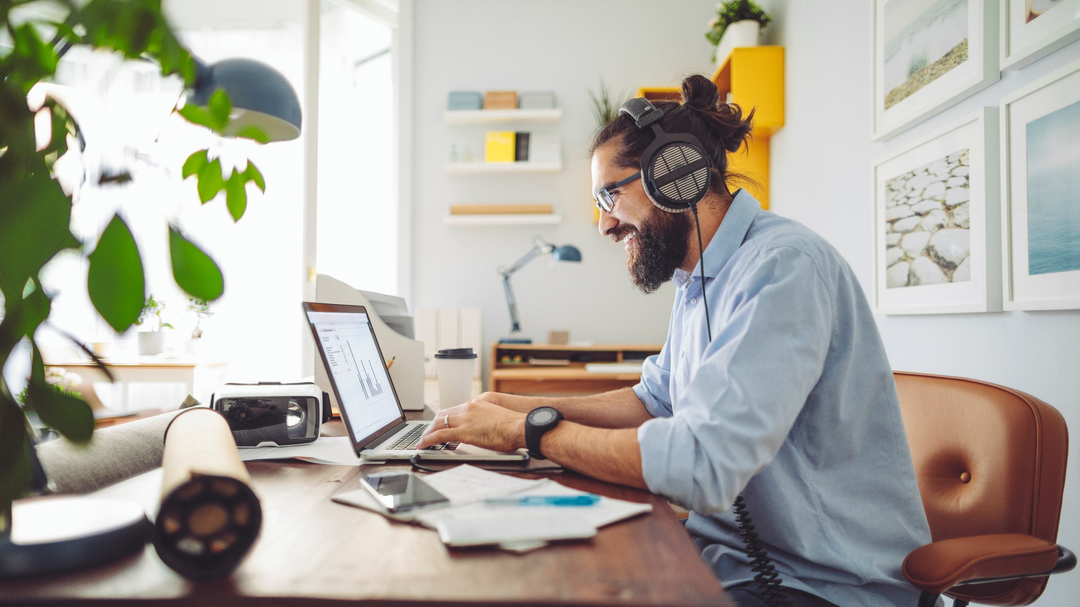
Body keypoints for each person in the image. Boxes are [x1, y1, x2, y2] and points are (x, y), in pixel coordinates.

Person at [418, 74, 932, 607]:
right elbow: (654, 401)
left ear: (675, 174)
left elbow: (700, 466)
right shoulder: (698, 278)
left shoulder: (783, 269)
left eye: (608, 195)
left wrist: (526, 430)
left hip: (822, 585)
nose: (603, 225)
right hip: (724, 559)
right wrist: (512, 406)